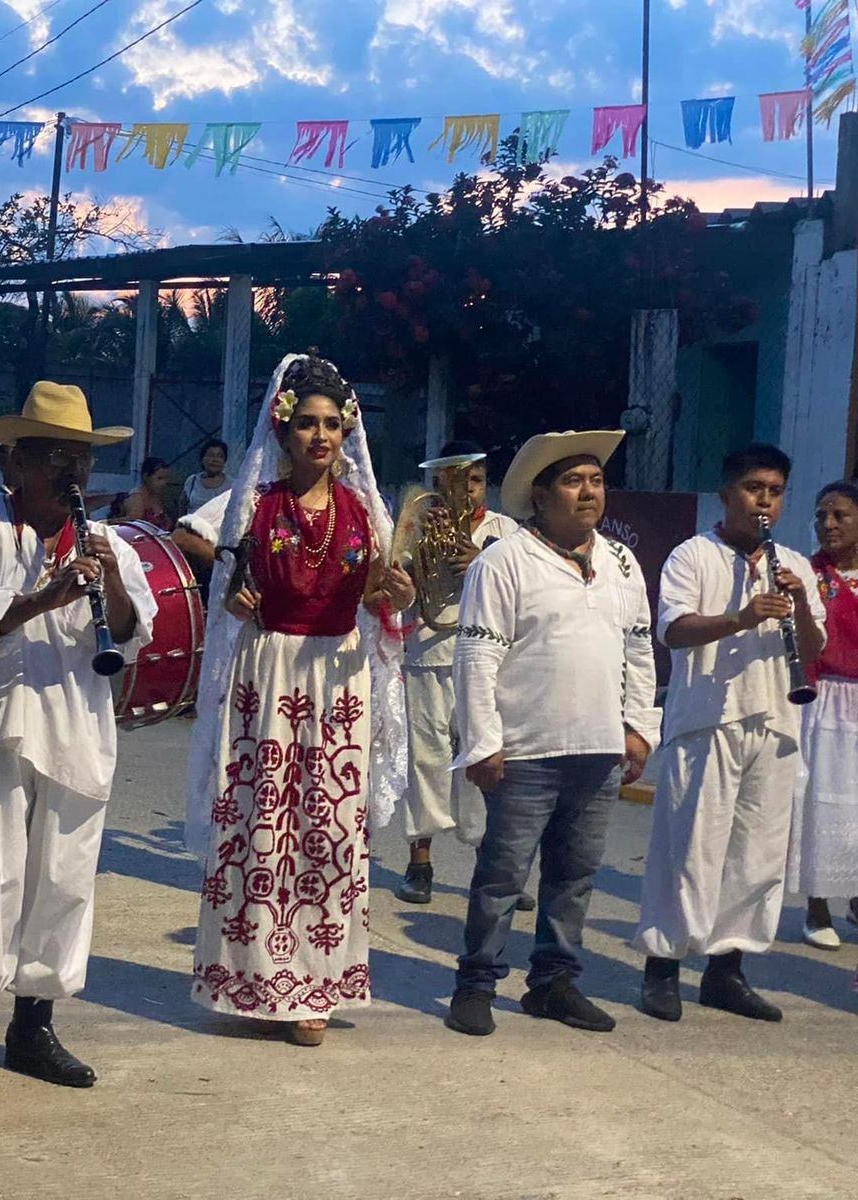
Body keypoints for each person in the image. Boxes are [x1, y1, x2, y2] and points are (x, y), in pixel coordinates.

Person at [0, 381, 156, 1100]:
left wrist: (109, 579)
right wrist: (49, 594)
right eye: (52, 455)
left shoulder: (107, 539)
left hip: (77, 721)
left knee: (63, 877)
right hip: (0, 718)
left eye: (79, 456)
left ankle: (32, 1027)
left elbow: (131, 632)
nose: (70, 470)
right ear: (13, 462)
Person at [185, 354, 414, 1046]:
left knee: (330, 829)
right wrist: (233, 593)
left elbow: (383, 596)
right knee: (262, 823)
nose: (321, 436)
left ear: (347, 434)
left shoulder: (365, 510)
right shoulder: (253, 503)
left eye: (332, 425)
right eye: (308, 423)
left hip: (340, 672)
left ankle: (316, 986)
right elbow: (206, 557)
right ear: (282, 431)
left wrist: (398, 596)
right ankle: (256, 981)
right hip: (269, 667)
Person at [445, 430, 659, 1038]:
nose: (589, 492)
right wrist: (483, 742)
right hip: (525, 751)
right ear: (540, 497)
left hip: (599, 749)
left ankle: (553, 984)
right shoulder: (504, 560)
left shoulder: (621, 561)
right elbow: (477, 655)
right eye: (573, 481)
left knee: (575, 875)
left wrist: (639, 728)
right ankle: (476, 985)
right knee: (502, 876)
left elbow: (639, 649)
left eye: (596, 481)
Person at [634, 444, 825, 1023]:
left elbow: (813, 648)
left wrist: (799, 604)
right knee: (689, 849)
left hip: (775, 721)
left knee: (756, 857)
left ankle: (726, 971)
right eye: (753, 488)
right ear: (726, 494)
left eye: (775, 491)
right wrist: (742, 618)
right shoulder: (692, 555)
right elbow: (674, 630)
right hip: (708, 721)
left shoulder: (795, 565)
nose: (764, 501)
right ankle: (662, 968)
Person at [395, 443, 524, 906]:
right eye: (453, 481)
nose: (465, 490)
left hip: (487, 657)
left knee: (485, 756)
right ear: (435, 484)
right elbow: (399, 594)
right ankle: (420, 862)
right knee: (425, 759)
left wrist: (482, 564)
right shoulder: (414, 526)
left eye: (474, 480)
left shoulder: (505, 532)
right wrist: (408, 573)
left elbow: (522, 593)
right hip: (427, 652)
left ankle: (492, 864)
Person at [789, 481, 858, 947]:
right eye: (820, 516)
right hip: (827, 700)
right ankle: (817, 906)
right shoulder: (807, 575)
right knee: (823, 802)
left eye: (839, 515)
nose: (827, 525)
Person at [118, 456, 174, 529]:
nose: (163, 483)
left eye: (166, 479)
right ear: (145, 477)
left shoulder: (157, 497)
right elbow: (132, 521)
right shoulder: (137, 497)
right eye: (159, 478)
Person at [182, 439, 231, 511]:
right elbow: (182, 507)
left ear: (224, 461)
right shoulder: (191, 481)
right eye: (210, 455)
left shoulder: (232, 485)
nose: (215, 459)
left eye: (220, 456)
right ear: (202, 459)